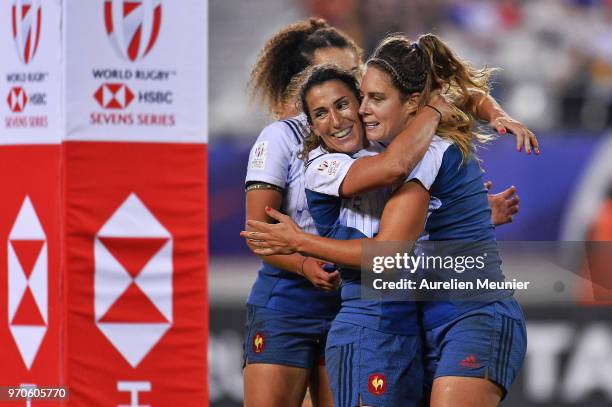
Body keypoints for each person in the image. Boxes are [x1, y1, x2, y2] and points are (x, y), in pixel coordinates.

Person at [243, 33, 537, 407]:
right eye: (321, 112)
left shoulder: (414, 148)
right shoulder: (323, 160)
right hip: (363, 314)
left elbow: (451, 100)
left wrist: (495, 115)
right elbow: (392, 178)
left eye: (363, 98)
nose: (358, 111)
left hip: (439, 316)